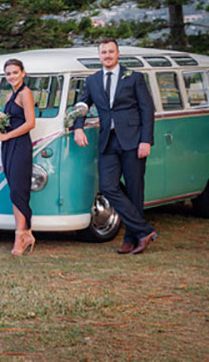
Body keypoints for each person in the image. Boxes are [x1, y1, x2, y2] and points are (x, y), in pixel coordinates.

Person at [73, 38, 157, 254]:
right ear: (99, 55)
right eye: (103, 52)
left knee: (135, 190)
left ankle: (131, 239)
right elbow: (82, 105)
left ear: (118, 53)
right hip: (107, 141)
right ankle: (144, 230)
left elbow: (147, 110)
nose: (107, 56)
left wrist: (146, 140)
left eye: (111, 52)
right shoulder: (92, 80)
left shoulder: (134, 77)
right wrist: (78, 127)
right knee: (109, 186)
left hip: (133, 140)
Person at [0, 59, 36, 255]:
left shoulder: (26, 94)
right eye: (8, 73)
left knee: (19, 191)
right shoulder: (10, 94)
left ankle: (21, 237)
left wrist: (7, 136)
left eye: (15, 72)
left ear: (23, 73)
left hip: (20, 145)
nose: (12, 76)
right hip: (8, 146)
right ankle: (25, 234)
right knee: (14, 191)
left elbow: (30, 123)